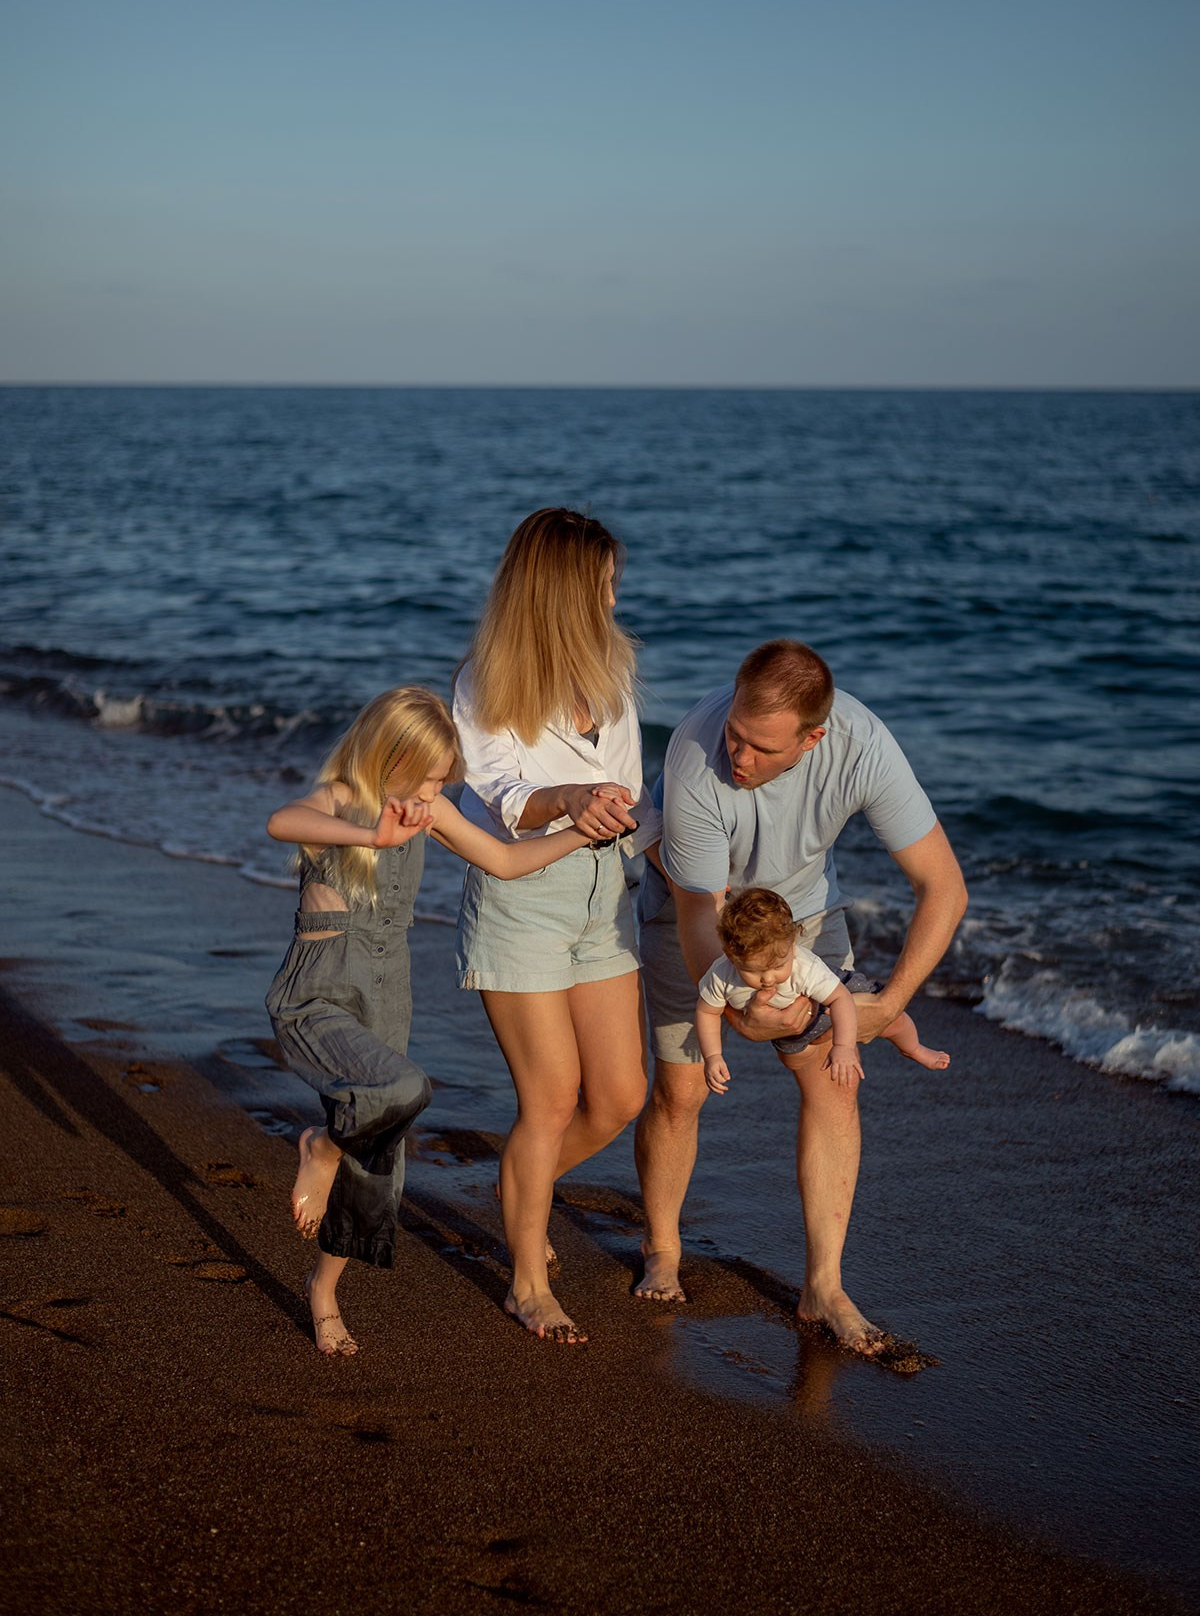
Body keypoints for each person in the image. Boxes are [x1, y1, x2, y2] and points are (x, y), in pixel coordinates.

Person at [635, 639, 967, 1353]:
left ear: (812, 740)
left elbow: (943, 886)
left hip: (802, 915)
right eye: (735, 733)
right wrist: (740, 1012)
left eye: (760, 747)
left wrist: (887, 1005)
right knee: (682, 1090)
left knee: (833, 1083)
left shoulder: (862, 747)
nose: (738, 755)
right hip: (693, 912)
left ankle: (825, 1285)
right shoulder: (695, 754)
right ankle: (661, 1247)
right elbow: (701, 914)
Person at [265, 686, 594, 1357]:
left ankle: (324, 1289)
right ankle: (320, 1148)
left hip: (389, 991)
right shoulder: (340, 799)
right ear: (388, 757)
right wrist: (372, 834)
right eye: (427, 777)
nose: (434, 792)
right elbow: (282, 822)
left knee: (379, 1157)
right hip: (320, 993)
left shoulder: (430, 809)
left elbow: (504, 861)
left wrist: (578, 830)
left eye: (443, 780)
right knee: (403, 1090)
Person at [454, 507, 660, 1346]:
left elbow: (632, 792)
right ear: (564, 593)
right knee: (549, 1100)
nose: (613, 600)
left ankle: (520, 1189)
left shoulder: (612, 672)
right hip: (523, 895)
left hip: (607, 894)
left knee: (619, 1096)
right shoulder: (486, 680)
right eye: (604, 585)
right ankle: (527, 1283)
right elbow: (504, 796)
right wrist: (571, 798)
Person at [696, 885, 950, 1097]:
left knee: (891, 1019)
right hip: (788, 1020)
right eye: (753, 971)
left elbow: (840, 998)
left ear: (792, 946)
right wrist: (713, 1056)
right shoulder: (721, 975)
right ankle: (823, 1031)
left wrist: (844, 1047)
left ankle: (914, 1049)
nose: (768, 978)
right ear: (731, 956)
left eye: (778, 966)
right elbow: (707, 1012)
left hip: (834, 991)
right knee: (794, 1059)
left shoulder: (805, 968)